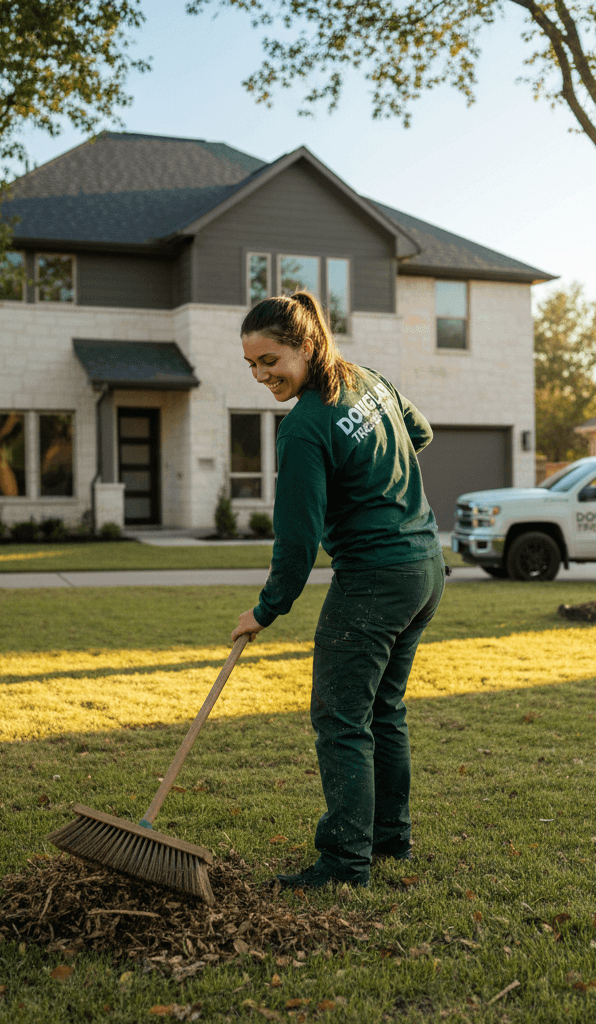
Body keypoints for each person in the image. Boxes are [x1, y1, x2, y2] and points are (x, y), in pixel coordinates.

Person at [231, 291, 445, 891]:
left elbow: (297, 542)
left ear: (305, 345)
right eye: (251, 365)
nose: (262, 375)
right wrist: (377, 478)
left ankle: (345, 863)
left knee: (341, 717)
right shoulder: (365, 380)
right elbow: (419, 433)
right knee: (383, 710)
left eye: (270, 360)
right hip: (424, 567)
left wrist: (265, 609)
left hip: (377, 580)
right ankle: (389, 840)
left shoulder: (304, 427)